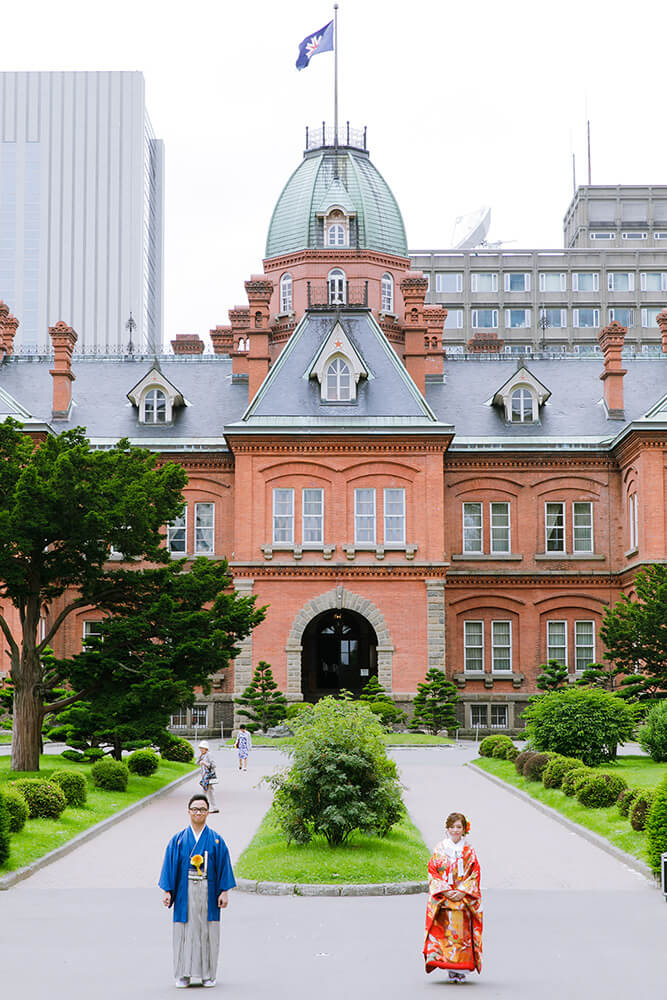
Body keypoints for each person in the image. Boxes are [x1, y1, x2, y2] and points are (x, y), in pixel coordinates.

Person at [158, 794, 236, 988]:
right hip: (185, 893)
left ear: (208, 812)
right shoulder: (178, 840)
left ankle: (208, 975)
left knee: (208, 932)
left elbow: (224, 866)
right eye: (195, 809)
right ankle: (182, 975)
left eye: (202, 809)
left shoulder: (216, 840)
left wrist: (224, 891)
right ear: (188, 811)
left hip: (208, 892)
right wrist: (168, 891)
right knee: (183, 933)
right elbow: (169, 867)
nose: (198, 812)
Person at [423, 811, 483, 983]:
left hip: (463, 899)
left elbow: (474, 873)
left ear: (464, 830)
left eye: (459, 827)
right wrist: (445, 890)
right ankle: (450, 968)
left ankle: (462, 970)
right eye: (452, 827)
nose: (455, 830)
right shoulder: (440, 849)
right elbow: (433, 871)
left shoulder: (469, 851)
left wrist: (462, 891)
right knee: (446, 934)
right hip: (445, 897)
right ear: (447, 828)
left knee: (462, 935)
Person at [197, 740, 219, 812]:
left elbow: (213, 765)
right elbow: (196, 763)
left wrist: (205, 763)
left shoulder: (209, 755)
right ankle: (212, 807)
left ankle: (204, 807)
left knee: (206, 791)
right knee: (209, 791)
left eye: (202, 748)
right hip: (204, 777)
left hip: (208, 776)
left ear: (206, 748)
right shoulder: (202, 755)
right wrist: (200, 757)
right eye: (200, 748)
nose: (200, 750)